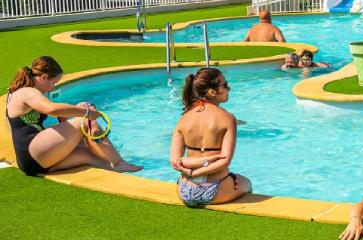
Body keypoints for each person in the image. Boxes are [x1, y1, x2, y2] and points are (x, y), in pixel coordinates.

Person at [6, 56, 140, 176]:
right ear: (44, 77)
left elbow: (50, 115)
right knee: (87, 122)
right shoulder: (27, 92)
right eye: (53, 83)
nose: (52, 88)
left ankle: (119, 168)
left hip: (32, 161)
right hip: (33, 152)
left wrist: (76, 110)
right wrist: (87, 113)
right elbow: (52, 109)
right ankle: (118, 163)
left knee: (89, 154)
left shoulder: (19, 92)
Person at [169, 67, 251, 208]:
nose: (229, 88)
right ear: (212, 92)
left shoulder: (184, 118)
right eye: (225, 85)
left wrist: (191, 173)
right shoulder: (227, 118)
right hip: (216, 189)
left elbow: (175, 161)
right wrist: (199, 170)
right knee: (246, 183)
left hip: (185, 190)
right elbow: (224, 161)